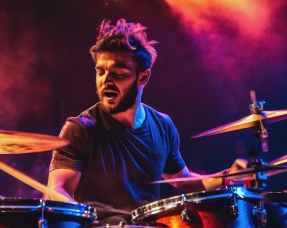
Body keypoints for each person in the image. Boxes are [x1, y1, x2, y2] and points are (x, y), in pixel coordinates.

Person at [47, 18, 245, 226]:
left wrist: (227, 178)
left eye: (118, 73)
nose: (105, 80)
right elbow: (57, 190)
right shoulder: (80, 129)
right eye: (100, 71)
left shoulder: (163, 126)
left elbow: (183, 180)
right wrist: (86, 216)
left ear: (143, 78)